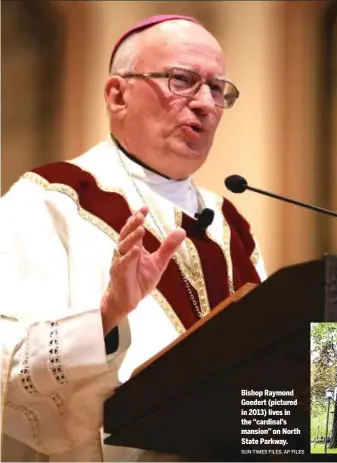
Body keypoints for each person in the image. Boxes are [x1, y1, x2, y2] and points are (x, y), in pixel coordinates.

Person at [1, 14, 266, 462]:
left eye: (217, 88)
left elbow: (285, 371)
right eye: (182, 80)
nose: (204, 103)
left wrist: (329, 403)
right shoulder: (49, 201)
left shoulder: (228, 222)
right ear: (118, 94)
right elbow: (8, 372)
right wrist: (106, 316)